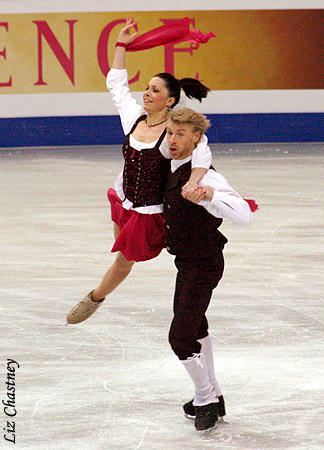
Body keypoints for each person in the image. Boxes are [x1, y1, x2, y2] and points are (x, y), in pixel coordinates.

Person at [66, 17, 212, 324]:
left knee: (123, 262)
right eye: (146, 87)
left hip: (149, 210)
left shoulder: (175, 130)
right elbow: (117, 84)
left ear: (169, 100)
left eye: (154, 90)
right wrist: (121, 44)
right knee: (120, 249)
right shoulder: (134, 117)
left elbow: (202, 151)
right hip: (124, 198)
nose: (146, 93)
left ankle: (94, 298)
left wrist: (196, 180)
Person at [163, 108, 252, 434]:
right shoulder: (175, 162)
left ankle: (205, 400)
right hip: (186, 261)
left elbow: (244, 215)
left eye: (181, 134)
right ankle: (215, 395)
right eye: (171, 133)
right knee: (196, 327)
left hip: (204, 262)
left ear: (195, 138)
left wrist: (210, 194)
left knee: (180, 337)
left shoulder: (207, 177)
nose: (172, 140)